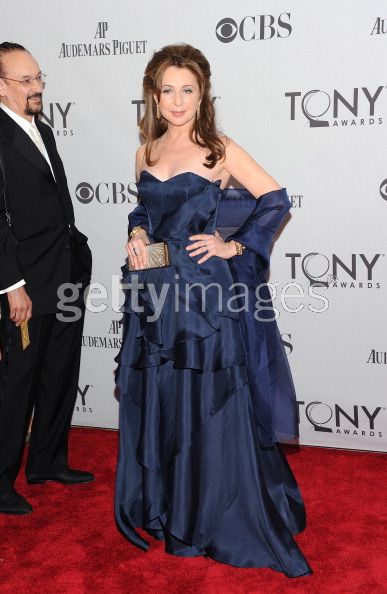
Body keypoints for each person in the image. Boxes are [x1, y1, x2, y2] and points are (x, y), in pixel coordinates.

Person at [115, 43, 312, 577]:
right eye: (168, 90)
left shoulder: (218, 149)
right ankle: (171, 506)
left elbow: (274, 198)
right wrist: (136, 231)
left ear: (203, 95)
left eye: (188, 90)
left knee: (211, 405)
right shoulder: (146, 152)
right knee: (169, 400)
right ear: (153, 96)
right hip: (155, 293)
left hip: (206, 297)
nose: (177, 101)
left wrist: (235, 245)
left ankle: (214, 516)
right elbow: (144, 208)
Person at [0, 42, 93, 516]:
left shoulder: (42, 128)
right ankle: (0, 483)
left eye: (39, 78)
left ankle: (48, 461)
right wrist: (10, 285)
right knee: (18, 382)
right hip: (25, 285)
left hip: (64, 272)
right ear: (0, 86)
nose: (37, 88)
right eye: (26, 81)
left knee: (60, 371)